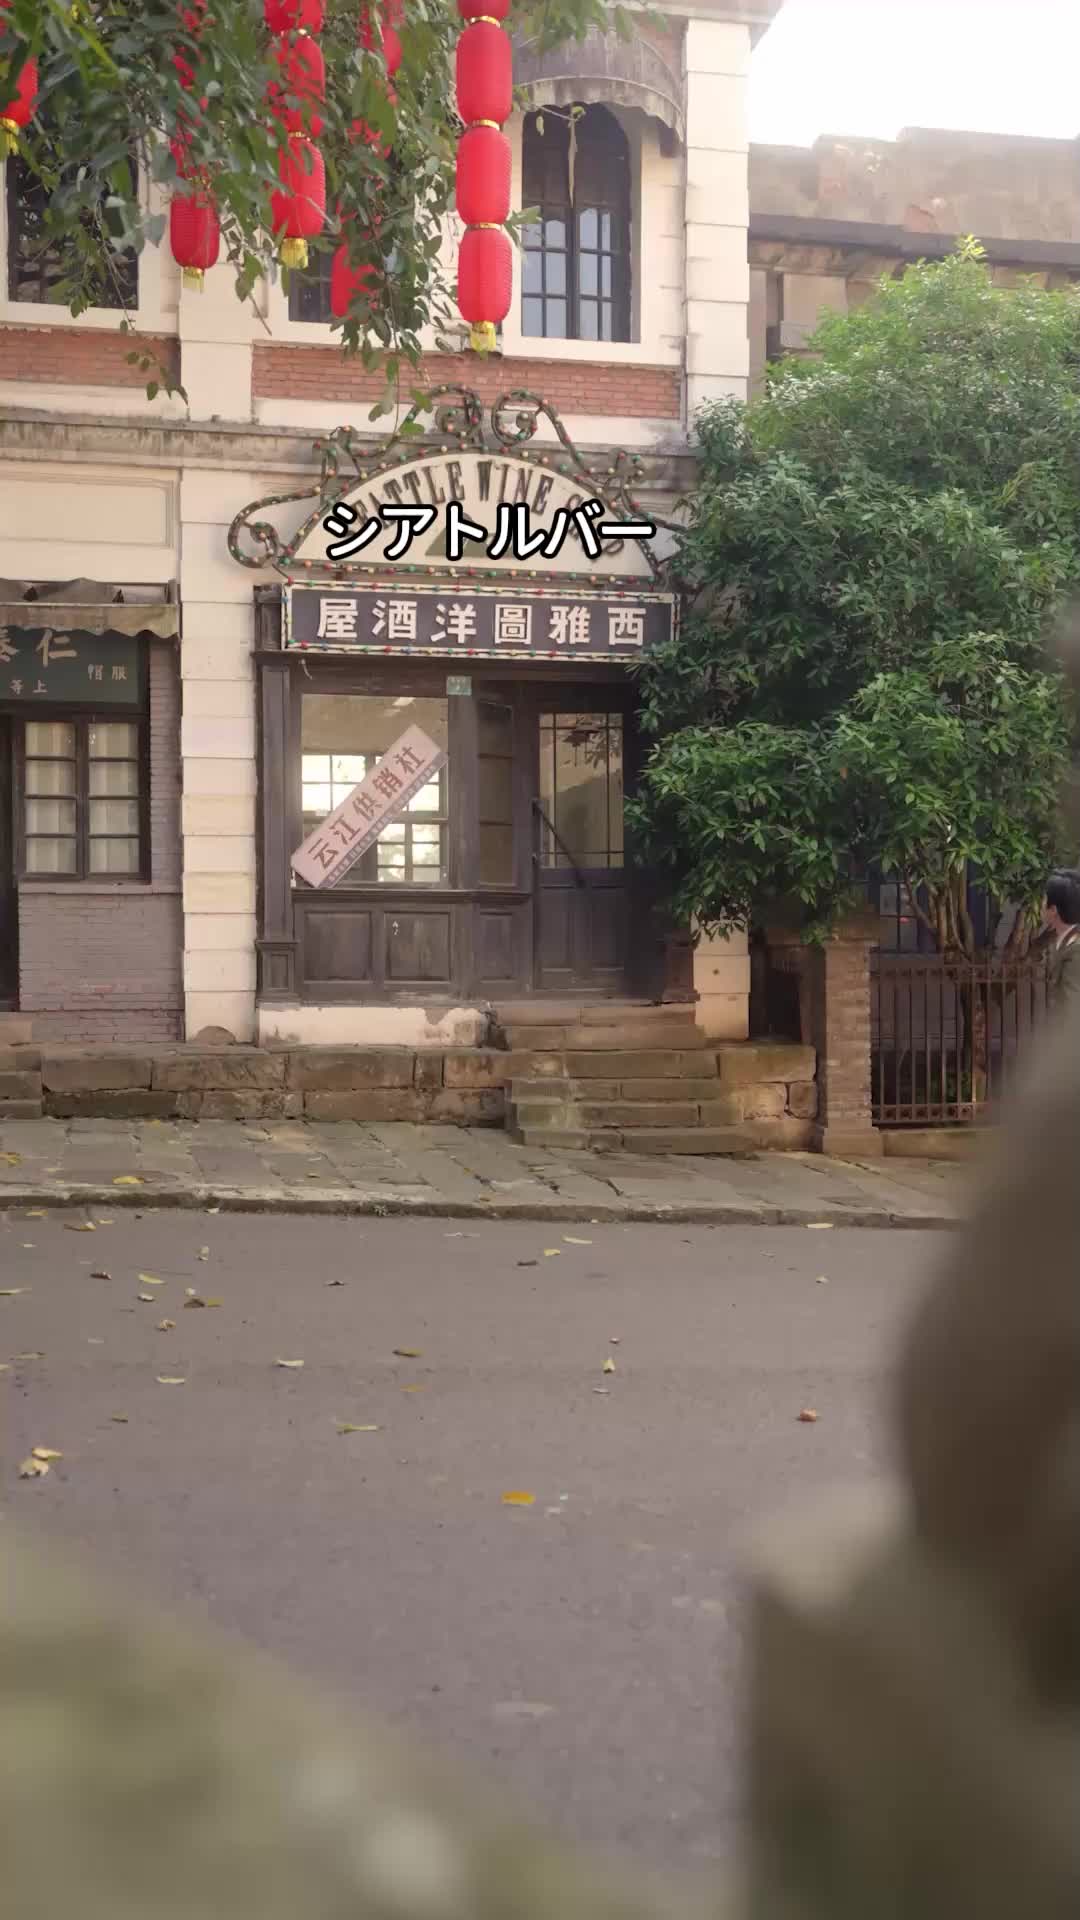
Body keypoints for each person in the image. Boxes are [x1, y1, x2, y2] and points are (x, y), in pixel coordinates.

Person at [1041, 869, 1080, 1008]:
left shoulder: (1076, 951)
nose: (1041, 904)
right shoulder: (1065, 942)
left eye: (1044, 899)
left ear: (1053, 910)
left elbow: (1072, 1010)